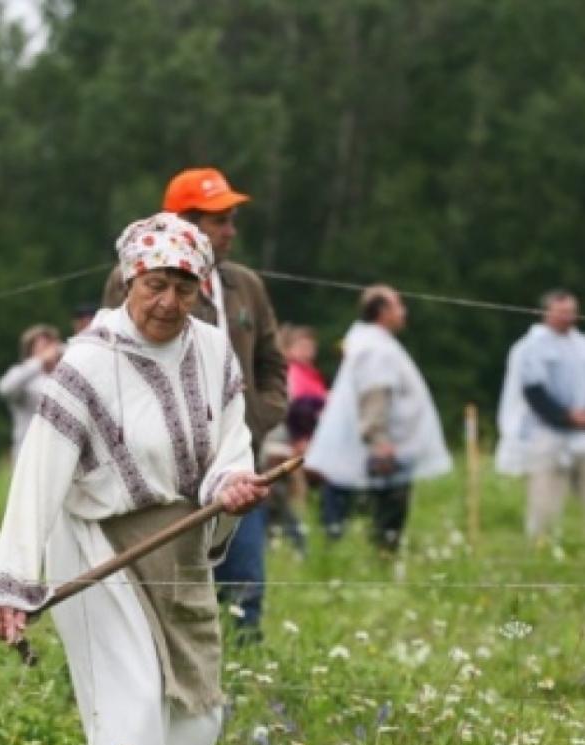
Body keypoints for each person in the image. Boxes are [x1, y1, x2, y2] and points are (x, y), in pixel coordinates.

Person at [0, 213, 268, 745]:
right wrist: (11, 584)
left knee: (198, 706)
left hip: (180, 545)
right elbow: (38, 475)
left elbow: (231, 441)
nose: (168, 302)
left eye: (184, 288)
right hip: (98, 546)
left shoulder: (214, 350)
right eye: (154, 285)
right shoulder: (86, 363)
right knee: (132, 701)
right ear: (129, 279)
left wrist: (231, 482)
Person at [102, 168, 285, 646]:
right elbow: (111, 368)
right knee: (163, 589)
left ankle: (245, 682)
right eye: (219, 219)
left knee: (245, 582)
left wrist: (254, 422)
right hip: (161, 477)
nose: (230, 230)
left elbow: (272, 364)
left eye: (232, 219)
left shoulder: (245, 285)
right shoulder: (133, 280)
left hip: (238, 466)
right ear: (181, 222)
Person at [305, 285, 450, 551]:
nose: (404, 312)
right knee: (381, 524)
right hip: (378, 452)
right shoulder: (376, 349)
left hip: (365, 449)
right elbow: (375, 394)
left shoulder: (371, 343)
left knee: (349, 523)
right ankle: (368, 565)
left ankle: (345, 562)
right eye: (399, 306)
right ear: (383, 312)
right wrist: (379, 441)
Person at [495, 289, 585, 537]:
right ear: (546, 312)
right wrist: (566, 416)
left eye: (571, 312)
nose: (567, 317)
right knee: (545, 500)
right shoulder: (530, 348)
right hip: (546, 436)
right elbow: (534, 391)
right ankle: (541, 545)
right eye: (561, 312)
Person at [266, 325, 326, 553]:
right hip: (282, 445)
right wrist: (302, 437)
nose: (307, 351)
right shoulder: (291, 374)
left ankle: (289, 545)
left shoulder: (309, 374)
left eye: (310, 346)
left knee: (284, 500)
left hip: (290, 445)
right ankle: (298, 546)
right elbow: (297, 410)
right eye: (301, 346)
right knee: (281, 499)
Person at [0, 324, 63, 461]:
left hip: (59, 454)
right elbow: (4, 388)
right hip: (29, 455)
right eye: (43, 347)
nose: (49, 350)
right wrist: (40, 361)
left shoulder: (65, 376)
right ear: (30, 351)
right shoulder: (22, 376)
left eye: (50, 345)